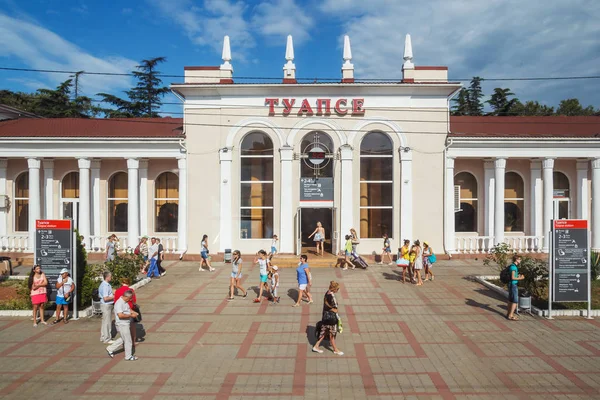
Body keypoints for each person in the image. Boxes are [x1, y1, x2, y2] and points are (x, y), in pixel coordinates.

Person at [106, 290, 139, 361]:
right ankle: (128, 356)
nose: (130, 300)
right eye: (130, 298)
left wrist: (134, 312)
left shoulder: (125, 302)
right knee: (128, 340)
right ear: (126, 297)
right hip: (122, 324)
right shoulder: (119, 304)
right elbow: (120, 315)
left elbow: (128, 309)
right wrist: (131, 315)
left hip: (125, 323)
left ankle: (110, 348)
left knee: (123, 338)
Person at [312, 281, 343, 355]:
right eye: (337, 289)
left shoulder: (327, 293)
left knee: (325, 332)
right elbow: (335, 308)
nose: (338, 290)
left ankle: (316, 346)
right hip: (331, 319)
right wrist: (335, 310)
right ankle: (335, 350)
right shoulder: (332, 296)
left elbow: (326, 306)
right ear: (334, 289)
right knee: (332, 334)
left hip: (325, 317)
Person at [114, 278, 139, 343]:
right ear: (129, 283)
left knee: (123, 329)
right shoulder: (131, 290)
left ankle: (124, 341)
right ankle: (133, 340)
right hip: (129, 310)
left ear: (122, 283)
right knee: (132, 326)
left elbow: (115, 301)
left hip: (120, 310)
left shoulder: (117, 291)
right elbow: (134, 301)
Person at [99, 271, 115, 344]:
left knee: (105, 322)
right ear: (107, 277)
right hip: (107, 305)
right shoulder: (105, 286)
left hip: (106, 305)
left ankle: (103, 336)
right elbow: (105, 298)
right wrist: (114, 297)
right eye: (110, 276)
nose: (111, 278)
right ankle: (107, 338)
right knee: (107, 322)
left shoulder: (105, 284)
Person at [506, 255, 524, 321]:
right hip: (513, 285)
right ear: (516, 260)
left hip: (511, 284)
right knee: (515, 301)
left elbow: (513, 276)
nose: (520, 260)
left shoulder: (512, 266)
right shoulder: (514, 267)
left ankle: (508, 314)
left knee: (510, 299)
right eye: (519, 259)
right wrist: (520, 278)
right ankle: (511, 315)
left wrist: (517, 275)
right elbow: (513, 277)